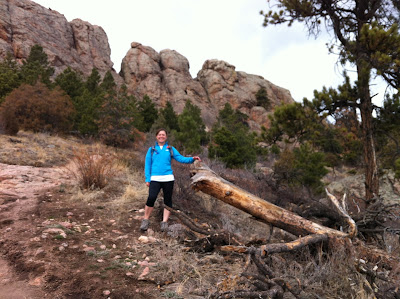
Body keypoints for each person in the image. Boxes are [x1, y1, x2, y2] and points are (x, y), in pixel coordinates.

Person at [140, 129, 201, 232]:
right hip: (155, 178)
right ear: (156, 137)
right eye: (159, 135)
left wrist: (192, 159)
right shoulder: (151, 150)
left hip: (168, 178)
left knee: (167, 200)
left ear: (166, 137)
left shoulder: (170, 149)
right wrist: (147, 178)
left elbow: (181, 158)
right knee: (151, 197)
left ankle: (164, 222)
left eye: (163, 135)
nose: (161, 136)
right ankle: (145, 220)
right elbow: (147, 165)